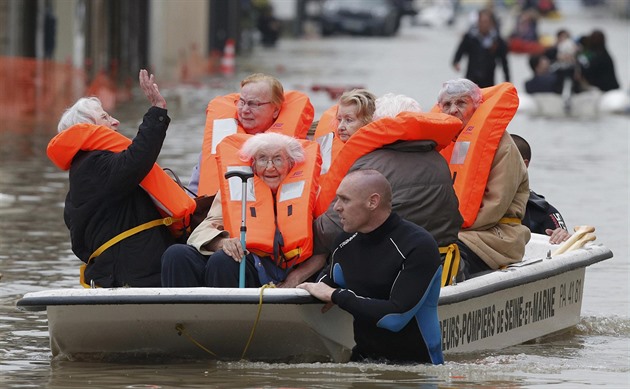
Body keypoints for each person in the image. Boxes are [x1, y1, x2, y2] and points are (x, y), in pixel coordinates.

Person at [49, 70, 193, 287]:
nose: (115, 122)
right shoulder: (93, 166)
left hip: (128, 273)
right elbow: (136, 159)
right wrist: (157, 111)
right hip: (131, 277)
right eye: (105, 117)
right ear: (89, 129)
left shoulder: (87, 170)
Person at [314, 93, 463, 285]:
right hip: (442, 264)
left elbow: (332, 229)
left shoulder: (370, 165)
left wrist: (302, 238)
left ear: (380, 126)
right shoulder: (439, 160)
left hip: (391, 271)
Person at [298, 170, 444, 365]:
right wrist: (313, 289)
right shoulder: (344, 242)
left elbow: (395, 317)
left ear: (373, 202)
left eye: (345, 200)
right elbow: (328, 281)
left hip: (418, 370)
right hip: (364, 363)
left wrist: (336, 296)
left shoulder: (417, 245)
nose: (336, 208)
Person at [162, 132, 324, 288]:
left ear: (290, 163)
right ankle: (183, 315)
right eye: (262, 159)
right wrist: (222, 242)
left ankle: (228, 316)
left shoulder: (312, 193)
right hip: (235, 258)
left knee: (223, 260)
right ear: (253, 164)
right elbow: (204, 229)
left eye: (277, 159)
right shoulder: (239, 189)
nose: (270, 167)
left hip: (275, 269)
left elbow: (325, 248)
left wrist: (294, 279)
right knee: (176, 254)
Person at [437, 78, 530, 278]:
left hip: (495, 237)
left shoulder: (502, 148)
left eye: (461, 103)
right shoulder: (443, 146)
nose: (453, 110)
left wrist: (445, 230)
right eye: (447, 105)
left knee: (445, 255)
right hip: (453, 231)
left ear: (477, 107)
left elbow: (493, 208)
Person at [188, 73, 313, 197]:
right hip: (217, 211)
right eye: (242, 102)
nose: (245, 110)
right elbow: (194, 188)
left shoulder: (295, 148)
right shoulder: (220, 142)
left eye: (254, 104)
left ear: (275, 110)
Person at [510, 134, 570, 244]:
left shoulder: (543, 212)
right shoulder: (475, 204)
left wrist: (563, 236)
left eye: (501, 162)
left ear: (523, 164)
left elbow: (566, 247)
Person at [313, 88, 376, 175]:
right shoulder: (330, 151)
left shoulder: (375, 161)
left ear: (368, 122)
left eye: (349, 120)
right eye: (339, 119)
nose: (340, 127)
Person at [452, 8, 510, 88]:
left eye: (486, 22)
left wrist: (507, 81)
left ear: (491, 23)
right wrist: (456, 62)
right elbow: (460, 51)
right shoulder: (470, 37)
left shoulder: (497, 40)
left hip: (488, 81)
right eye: (481, 22)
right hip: (471, 79)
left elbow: (504, 62)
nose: (483, 25)